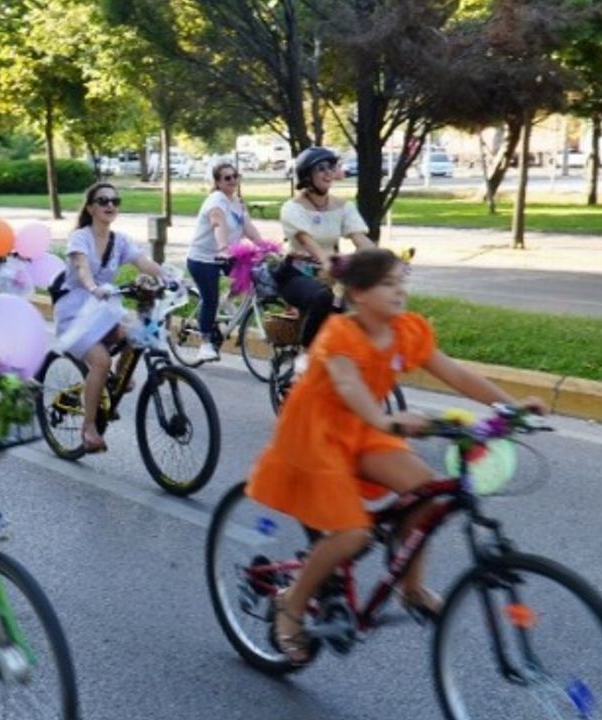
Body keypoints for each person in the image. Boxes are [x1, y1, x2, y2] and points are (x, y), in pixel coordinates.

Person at [246, 248, 549, 666]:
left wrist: (511, 408)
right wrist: (386, 420)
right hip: (315, 435)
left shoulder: (406, 330)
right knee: (352, 533)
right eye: (388, 284)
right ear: (359, 294)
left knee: (425, 491)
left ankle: (412, 588)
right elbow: (349, 385)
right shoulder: (339, 335)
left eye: (401, 282)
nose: (399, 291)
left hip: (364, 429)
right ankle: (291, 606)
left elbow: (457, 374)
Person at [53, 183, 164, 453]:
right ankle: (88, 428)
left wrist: (173, 277)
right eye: (103, 200)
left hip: (105, 308)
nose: (110, 205)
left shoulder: (121, 240)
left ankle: (116, 380)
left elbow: (144, 264)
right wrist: (92, 288)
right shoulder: (80, 237)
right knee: (101, 362)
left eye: (115, 201)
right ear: (91, 207)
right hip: (76, 312)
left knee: (141, 332)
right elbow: (81, 267)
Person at [277, 147, 375, 350]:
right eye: (321, 168)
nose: (328, 172)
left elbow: (361, 239)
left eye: (331, 167)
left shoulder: (343, 207)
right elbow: (309, 243)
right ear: (306, 175)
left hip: (331, 274)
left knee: (361, 306)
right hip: (297, 274)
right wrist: (328, 261)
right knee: (323, 298)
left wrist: (384, 260)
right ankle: (306, 355)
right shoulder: (292, 208)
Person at [187, 162, 272, 362]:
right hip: (203, 258)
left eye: (235, 176)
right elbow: (218, 222)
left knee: (252, 274)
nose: (233, 180)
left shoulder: (237, 202)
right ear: (217, 182)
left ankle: (228, 302)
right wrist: (223, 248)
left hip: (227, 256)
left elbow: (248, 228)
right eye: (227, 178)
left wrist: (266, 248)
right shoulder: (216, 200)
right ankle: (205, 344)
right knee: (210, 299)